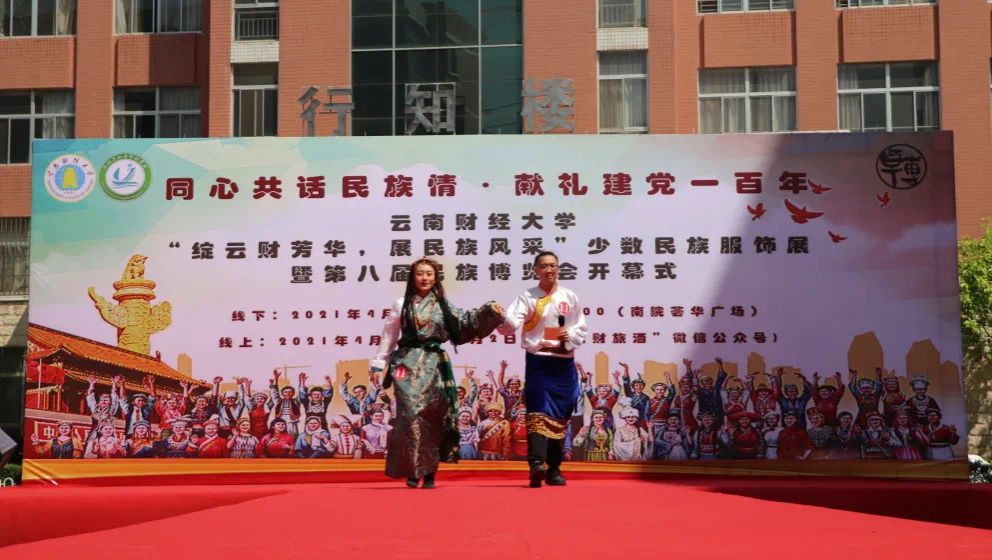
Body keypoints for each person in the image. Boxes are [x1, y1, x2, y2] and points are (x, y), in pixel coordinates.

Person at [370, 256, 504, 488]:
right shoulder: (401, 303)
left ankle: (430, 471)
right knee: (410, 415)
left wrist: (489, 311)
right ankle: (414, 470)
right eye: (420, 273)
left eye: (429, 274)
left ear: (435, 278)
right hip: (407, 363)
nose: (424, 278)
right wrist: (379, 363)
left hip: (434, 364)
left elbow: (465, 323)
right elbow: (389, 335)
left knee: (434, 415)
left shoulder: (443, 304)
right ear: (412, 277)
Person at [498, 251, 587, 487]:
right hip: (539, 361)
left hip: (564, 364)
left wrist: (570, 334)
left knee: (560, 414)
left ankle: (554, 469)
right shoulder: (527, 297)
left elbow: (581, 327)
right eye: (545, 266)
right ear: (535, 270)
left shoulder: (569, 296)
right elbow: (511, 324)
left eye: (553, 265)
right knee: (538, 411)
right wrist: (501, 318)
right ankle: (536, 464)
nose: (550, 270)